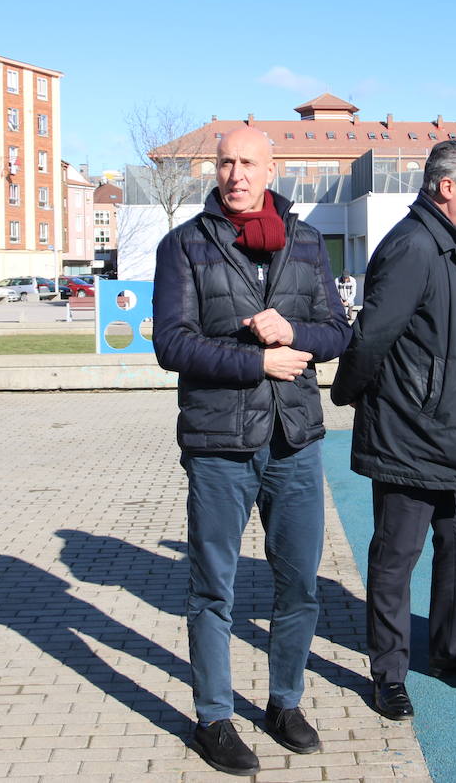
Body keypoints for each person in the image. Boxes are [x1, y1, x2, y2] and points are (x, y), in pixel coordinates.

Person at [153, 127, 351, 776]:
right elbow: (172, 345)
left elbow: (337, 334)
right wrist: (255, 361)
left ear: (272, 170)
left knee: (298, 584)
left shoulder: (306, 241)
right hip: (218, 444)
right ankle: (213, 717)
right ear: (215, 169)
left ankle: (284, 703)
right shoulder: (184, 244)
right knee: (214, 588)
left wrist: (295, 332)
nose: (235, 173)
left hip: (294, 441)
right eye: (225, 162)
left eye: (247, 163)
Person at [330, 139, 456, 723]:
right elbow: (373, 337)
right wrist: (348, 393)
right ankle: (388, 674)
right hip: (409, 433)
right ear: (445, 187)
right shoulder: (412, 246)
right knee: (396, 557)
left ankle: (453, 654)